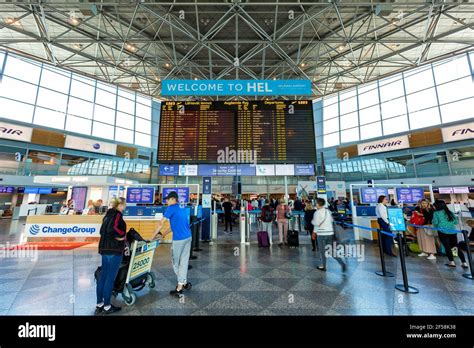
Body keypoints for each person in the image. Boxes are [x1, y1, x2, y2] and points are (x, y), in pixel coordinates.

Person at [153, 191, 192, 296]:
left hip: (179, 240)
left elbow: (161, 223)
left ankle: (180, 286)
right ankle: (183, 282)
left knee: (175, 263)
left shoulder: (171, 208)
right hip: (188, 237)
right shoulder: (182, 208)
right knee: (183, 262)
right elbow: (173, 225)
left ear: (173, 199)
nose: (166, 201)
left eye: (168, 199)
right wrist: (164, 234)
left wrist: (152, 237)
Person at [95, 197, 127, 315]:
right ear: (120, 205)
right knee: (110, 278)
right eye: (124, 204)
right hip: (113, 250)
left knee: (103, 276)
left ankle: (100, 304)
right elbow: (112, 228)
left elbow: (102, 230)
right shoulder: (117, 214)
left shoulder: (107, 215)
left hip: (104, 249)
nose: (125, 207)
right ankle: (107, 306)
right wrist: (121, 236)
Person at [312, 198, 346, 272]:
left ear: (318, 204)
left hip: (321, 234)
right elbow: (331, 222)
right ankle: (342, 263)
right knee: (331, 250)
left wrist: (314, 233)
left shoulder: (317, 213)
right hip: (330, 233)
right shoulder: (328, 211)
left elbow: (316, 224)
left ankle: (323, 266)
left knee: (322, 251)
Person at [433, 200, 468, 268]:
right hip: (453, 232)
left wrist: (439, 225)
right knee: (456, 247)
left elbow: (435, 223)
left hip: (442, 232)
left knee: (447, 247)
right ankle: (464, 262)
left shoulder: (436, 213)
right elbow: (455, 222)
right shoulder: (450, 212)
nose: (434, 207)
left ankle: (452, 262)